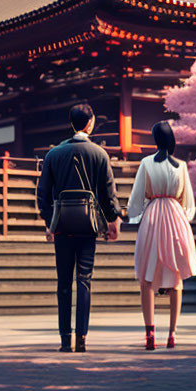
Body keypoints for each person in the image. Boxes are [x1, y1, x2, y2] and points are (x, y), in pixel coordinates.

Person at [36, 102, 123, 352]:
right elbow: (108, 195)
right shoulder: (99, 154)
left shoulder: (53, 154)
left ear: (71, 123)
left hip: (62, 225)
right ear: (90, 123)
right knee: (84, 280)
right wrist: (112, 220)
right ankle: (81, 340)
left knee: (63, 282)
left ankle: (65, 340)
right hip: (88, 227)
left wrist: (49, 221)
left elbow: (42, 194)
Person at [126, 120, 196, 350]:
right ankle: (172, 334)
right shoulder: (182, 166)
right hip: (176, 215)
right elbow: (188, 202)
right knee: (176, 278)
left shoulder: (146, 163)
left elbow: (138, 197)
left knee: (147, 278)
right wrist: (183, 219)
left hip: (153, 215)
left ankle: (150, 334)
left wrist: (130, 216)